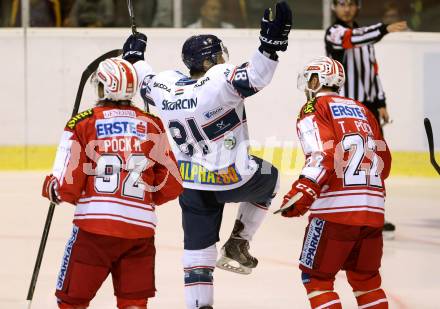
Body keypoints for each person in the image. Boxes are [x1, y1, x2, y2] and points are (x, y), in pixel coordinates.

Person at [122, 2, 292, 308]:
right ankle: (239, 241)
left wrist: (134, 57)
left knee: (197, 251)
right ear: (211, 58)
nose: (223, 59)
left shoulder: (167, 85)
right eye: (219, 54)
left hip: (190, 182)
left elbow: (142, 83)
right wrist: (270, 45)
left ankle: (199, 304)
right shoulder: (220, 80)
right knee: (271, 177)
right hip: (233, 178)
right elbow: (256, 76)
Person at [41, 58, 183, 309]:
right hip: (140, 233)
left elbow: (67, 188)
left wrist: (52, 187)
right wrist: (144, 200)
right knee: (134, 303)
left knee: (71, 301)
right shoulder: (152, 123)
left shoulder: (82, 122)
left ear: (103, 88)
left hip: (94, 231)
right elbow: (171, 183)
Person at [277, 56, 392, 309]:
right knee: (367, 281)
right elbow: (385, 161)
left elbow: (321, 155)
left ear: (317, 80)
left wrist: (303, 192)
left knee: (317, 279)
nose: (307, 86)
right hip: (372, 211)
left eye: (309, 80)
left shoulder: (314, 108)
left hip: (335, 214)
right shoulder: (363, 110)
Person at [325, 0, 406, 235]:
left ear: (357, 6)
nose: (346, 8)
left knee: (374, 162)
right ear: (333, 8)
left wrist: (381, 101)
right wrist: (384, 28)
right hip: (348, 108)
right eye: (341, 4)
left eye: (350, 3)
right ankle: (344, 213)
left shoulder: (366, 39)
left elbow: (373, 72)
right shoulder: (335, 32)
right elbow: (352, 37)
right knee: (348, 161)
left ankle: (374, 213)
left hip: (369, 108)